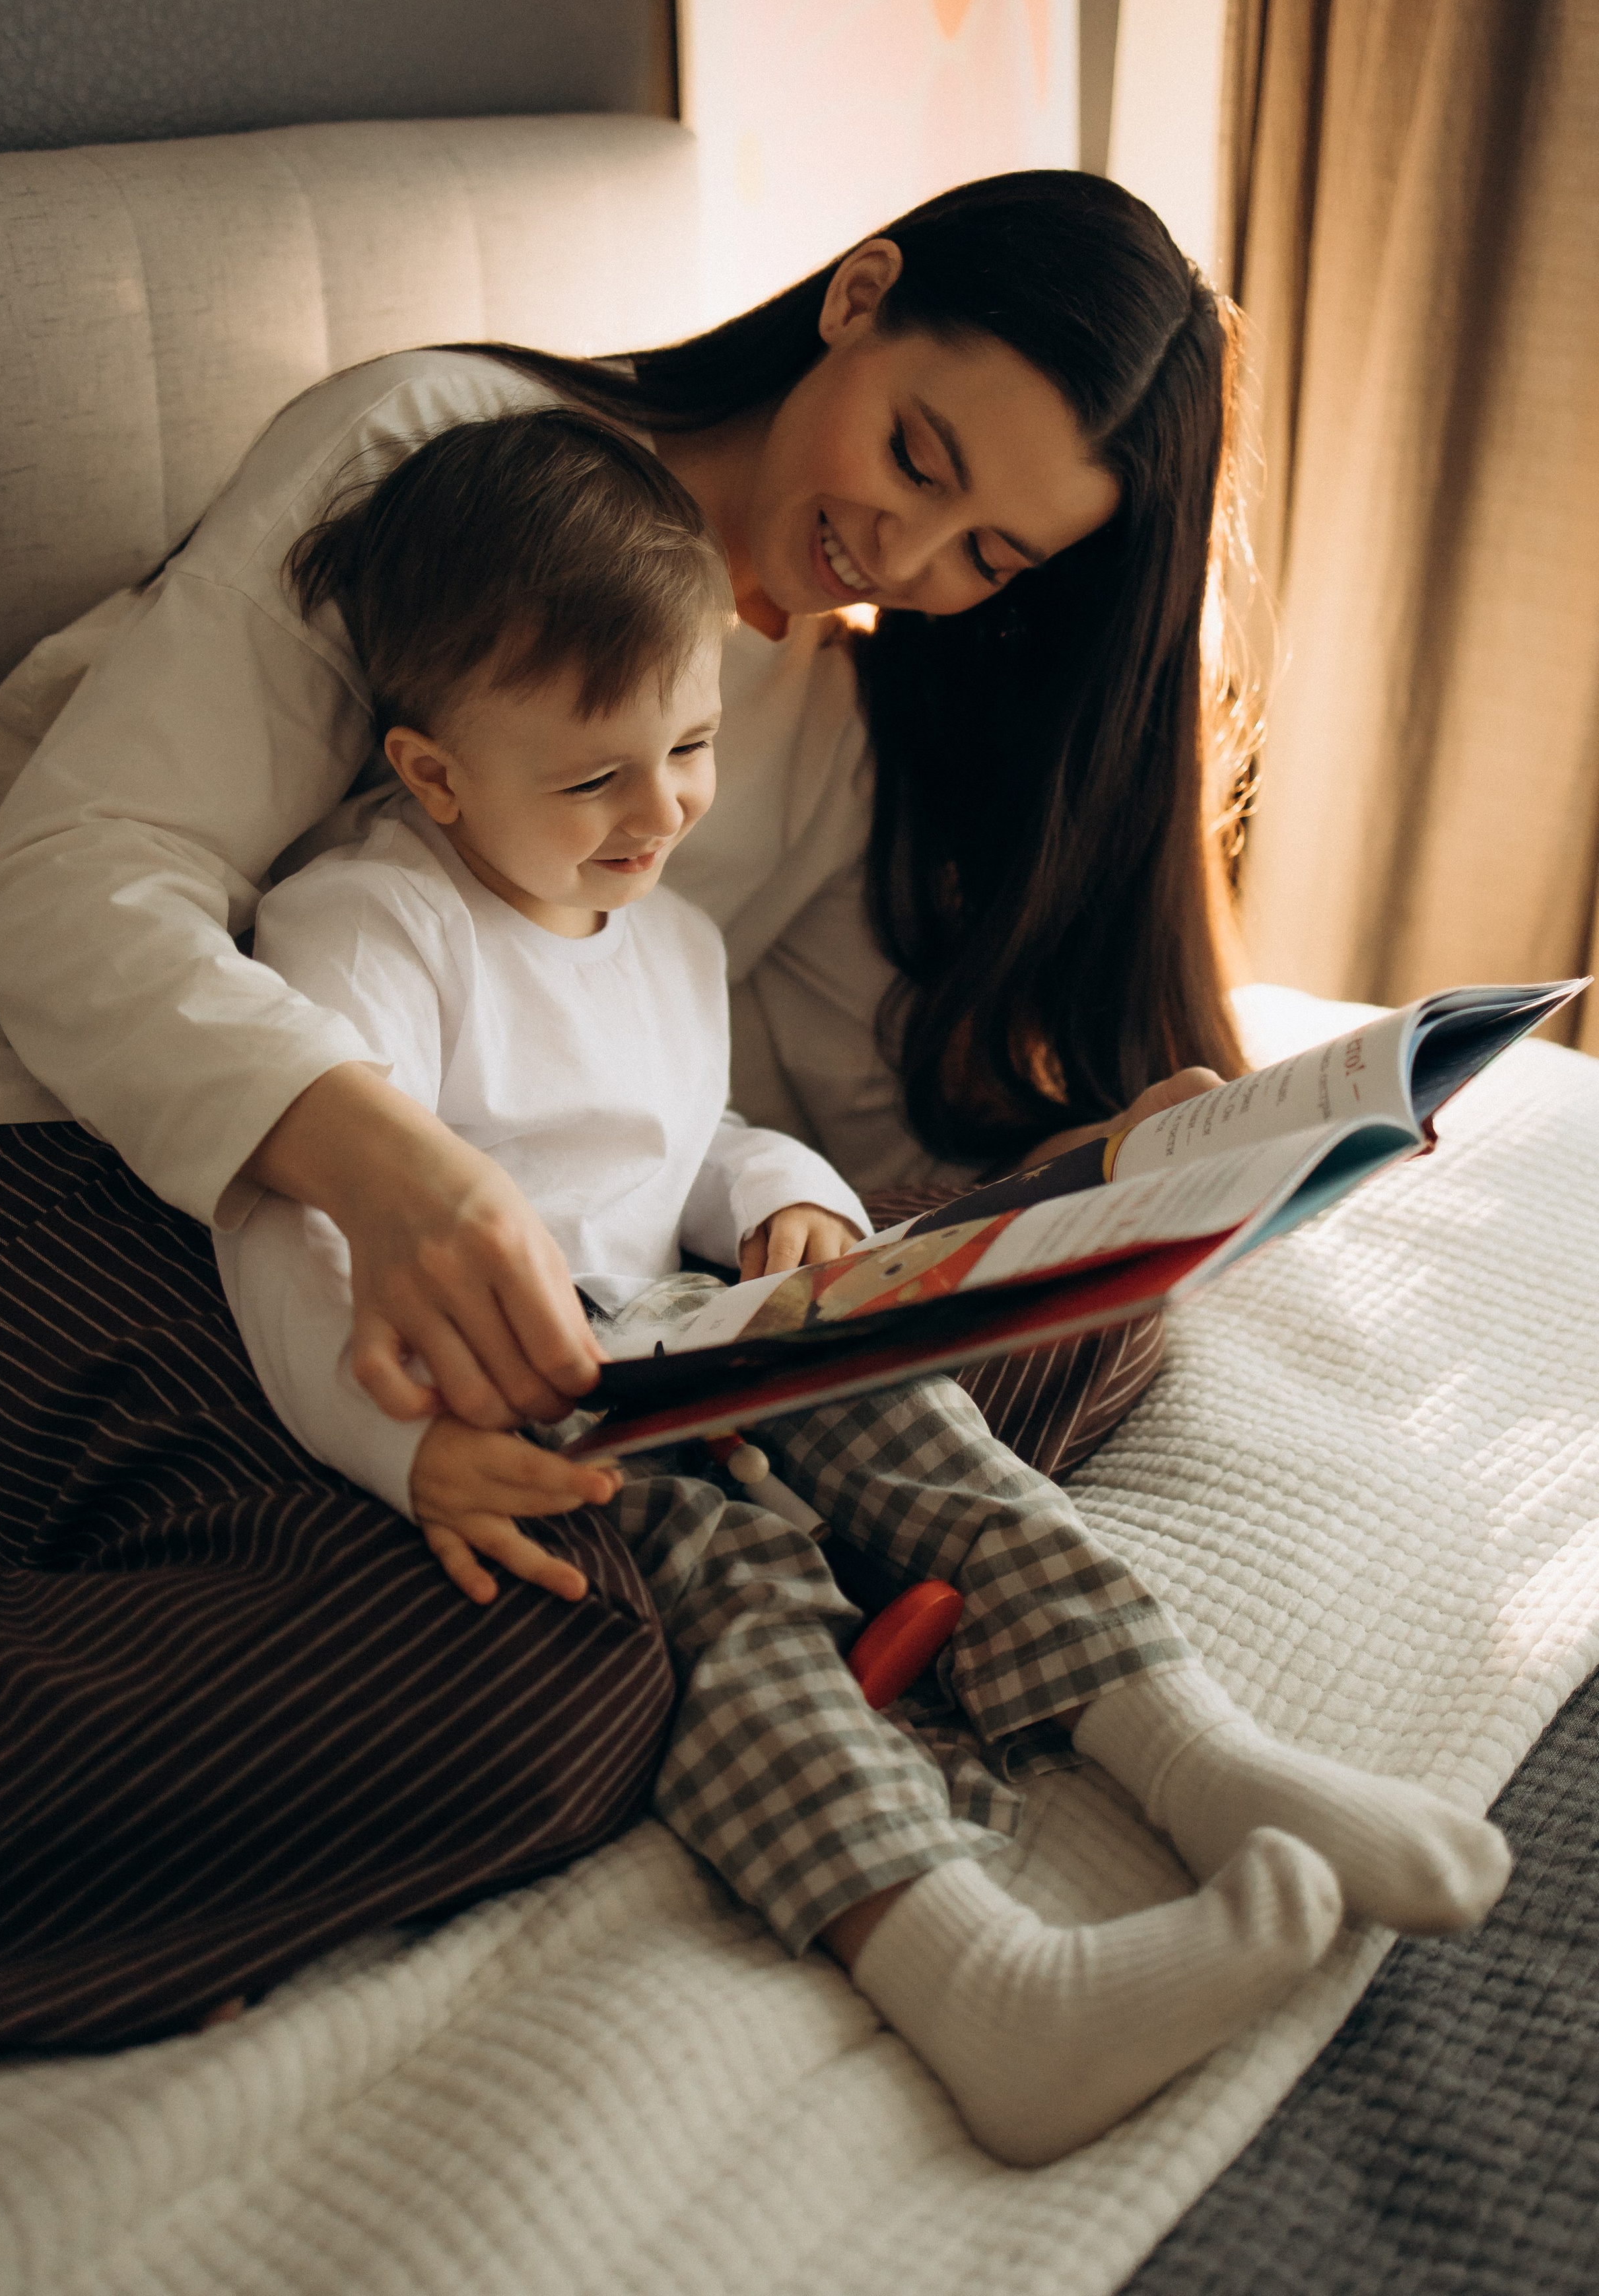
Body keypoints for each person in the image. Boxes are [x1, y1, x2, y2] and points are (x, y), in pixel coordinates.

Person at [0, 172, 1252, 2054]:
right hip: (23, 1139)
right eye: (920, 455)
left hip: (475, 1266)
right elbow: (72, 876)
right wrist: (380, 1156)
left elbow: (792, 1132)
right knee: (548, 1673)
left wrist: (1102, 1183)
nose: (906, 546)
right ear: (859, 297)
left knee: (1031, 1317)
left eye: (987, 556)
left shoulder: (815, 718)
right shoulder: (445, 463)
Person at [216, 408, 1509, 2169]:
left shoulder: (661, 931)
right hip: (517, 1392)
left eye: (686, 749)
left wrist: (790, 1212)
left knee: (932, 1432)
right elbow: (284, 1226)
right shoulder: (373, 923)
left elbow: (699, 1137)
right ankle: (979, 1982)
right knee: (728, 1582)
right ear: (435, 774)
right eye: (595, 779)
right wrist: (405, 1459)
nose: (659, 813)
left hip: (691, 1329)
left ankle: (1206, 1760)